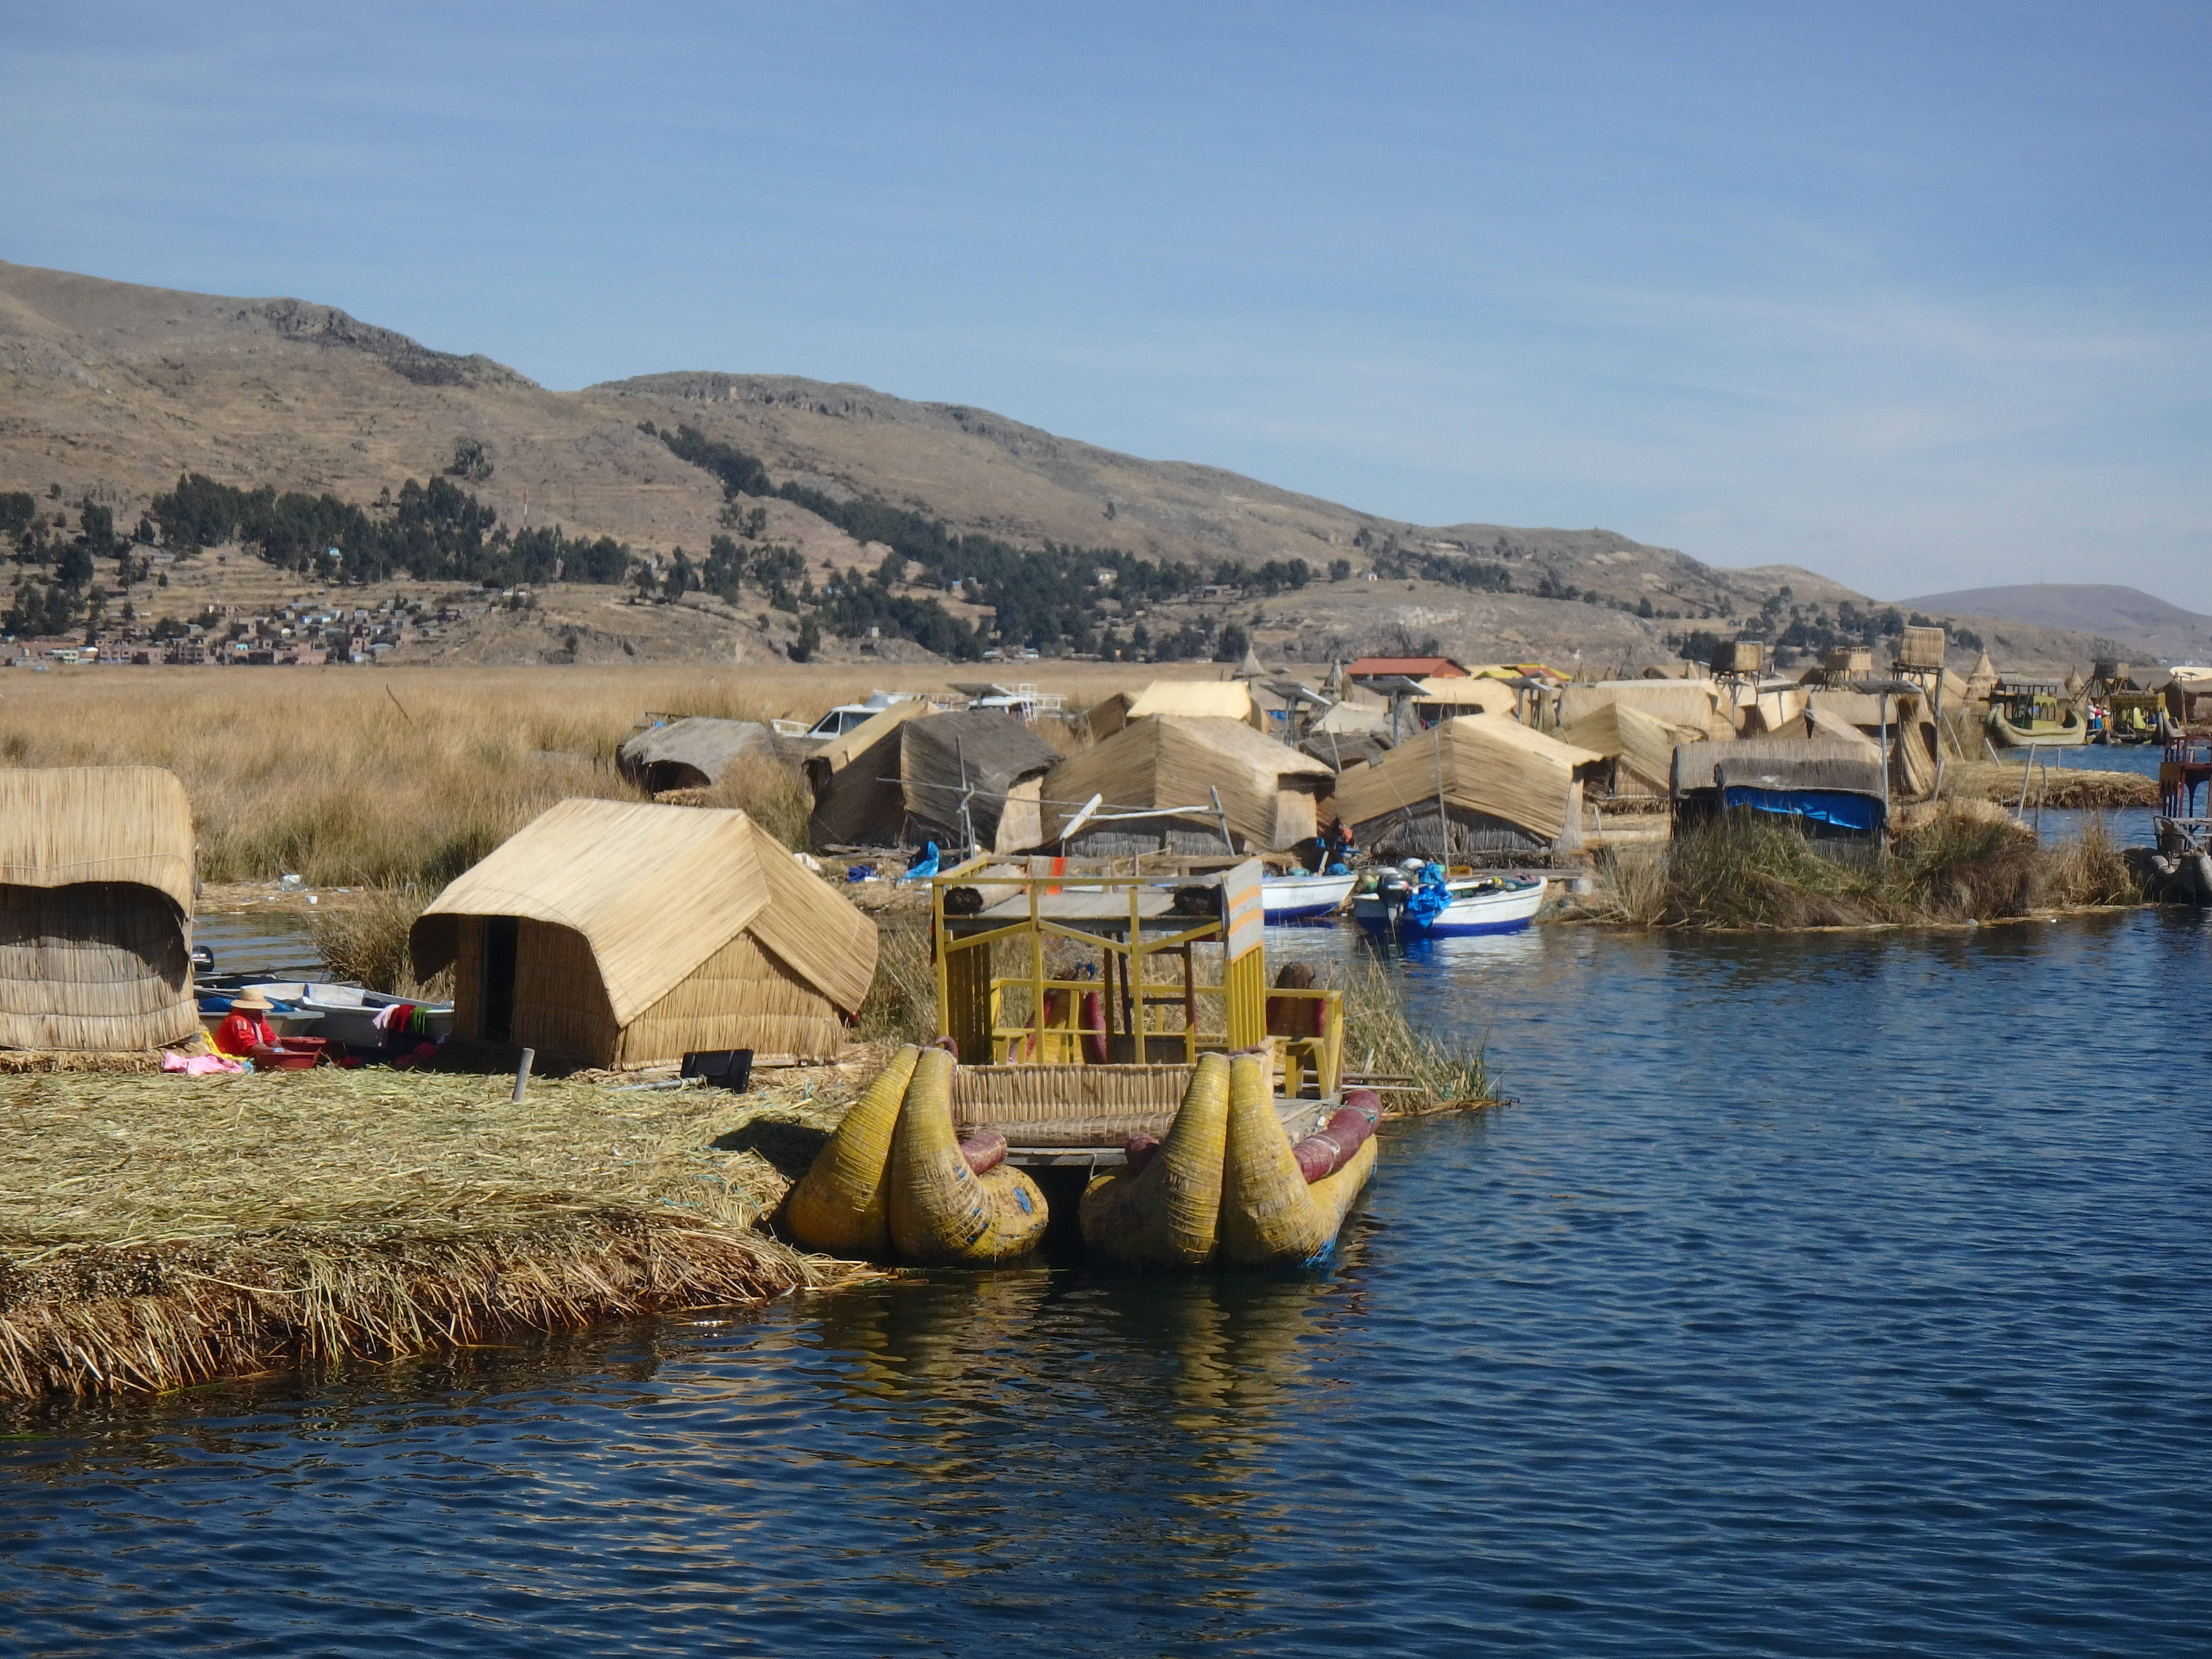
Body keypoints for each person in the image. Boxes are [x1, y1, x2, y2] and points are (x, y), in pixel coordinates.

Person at [213, 989, 276, 1057]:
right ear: (247, 1008)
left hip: (250, 1053)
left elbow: (268, 1036)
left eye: (260, 1009)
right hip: (231, 1056)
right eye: (256, 1009)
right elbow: (249, 1045)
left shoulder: (258, 1016)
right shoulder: (238, 1020)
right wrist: (274, 1051)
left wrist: (282, 1050)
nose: (259, 1011)